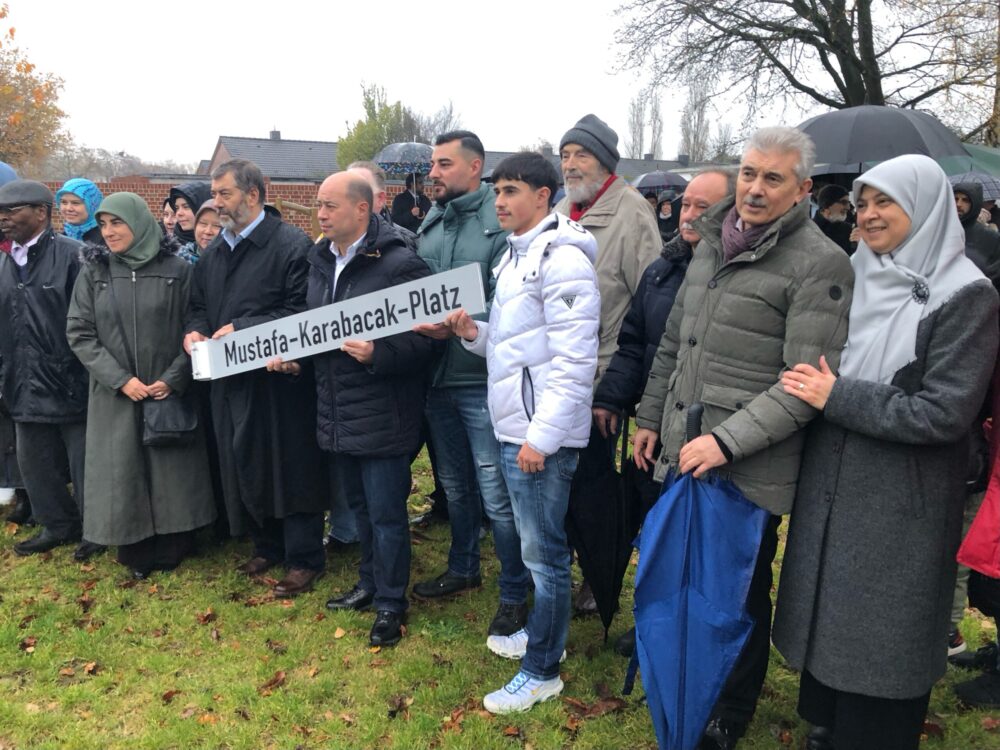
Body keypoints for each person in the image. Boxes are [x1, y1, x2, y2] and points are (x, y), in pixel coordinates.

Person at [632, 126, 854, 749]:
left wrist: (725, 443)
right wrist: (652, 417)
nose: (756, 189)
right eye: (750, 174)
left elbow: (804, 386)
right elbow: (676, 340)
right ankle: (685, 673)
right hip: (685, 440)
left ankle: (730, 707)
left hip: (747, 465)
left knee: (739, 591)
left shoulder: (821, 264)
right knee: (681, 572)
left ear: (802, 189)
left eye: (773, 178)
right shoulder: (710, 243)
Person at [772, 154, 999, 750]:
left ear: (923, 209)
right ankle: (831, 726)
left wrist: (837, 396)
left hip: (903, 498)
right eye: (862, 202)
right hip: (834, 484)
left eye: (884, 202)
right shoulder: (856, 273)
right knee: (831, 621)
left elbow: (944, 413)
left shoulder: (967, 295)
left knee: (881, 636)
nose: (867, 215)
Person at [440, 152, 600, 713]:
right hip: (516, 427)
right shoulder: (516, 258)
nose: (500, 201)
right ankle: (538, 634)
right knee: (540, 551)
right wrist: (469, 332)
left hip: (538, 438)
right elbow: (514, 349)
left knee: (544, 555)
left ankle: (542, 669)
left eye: (510, 191)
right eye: (497, 191)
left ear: (543, 196)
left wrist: (542, 438)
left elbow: (575, 362)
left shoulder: (562, 261)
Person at [270, 172, 437, 646]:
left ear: (361, 210)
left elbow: (427, 343)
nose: (319, 214)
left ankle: (390, 603)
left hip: (383, 411)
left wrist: (380, 354)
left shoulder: (401, 263)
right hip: (337, 410)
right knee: (360, 511)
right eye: (318, 206)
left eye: (328, 206)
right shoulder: (319, 260)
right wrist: (297, 361)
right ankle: (368, 583)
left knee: (386, 515)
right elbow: (315, 329)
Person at [592, 167, 734, 657]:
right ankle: (653, 618)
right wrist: (613, 397)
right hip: (655, 423)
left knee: (693, 535)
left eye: (704, 207)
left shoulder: (730, 276)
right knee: (653, 524)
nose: (689, 215)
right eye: (686, 204)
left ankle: (688, 630)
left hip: (708, 430)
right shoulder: (661, 270)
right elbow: (635, 344)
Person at [183, 159, 328, 598]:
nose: (216, 203)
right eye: (215, 194)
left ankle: (304, 557)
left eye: (224, 194)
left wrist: (246, 329)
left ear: (253, 194)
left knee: (289, 465)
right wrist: (194, 331)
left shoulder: (290, 244)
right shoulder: (214, 252)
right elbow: (198, 306)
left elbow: (303, 310)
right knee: (243, 458)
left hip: (279, 379)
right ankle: (267, 544)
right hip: (230, 380)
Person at [411, 131, 532, 641]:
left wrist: (458, 322)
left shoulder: (498, 224)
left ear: (474, 167)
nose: (432, 174)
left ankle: (514, 591)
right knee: (455, 487)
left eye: (443, 164)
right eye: (431, 165)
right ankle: (463, 566)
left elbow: (510, 299)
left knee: (496, 493)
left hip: (481, 379)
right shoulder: (431, 223)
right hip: (436, 376)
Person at [66, 193, 216, 578]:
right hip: (115, 394)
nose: (109, 232)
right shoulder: (94, 272)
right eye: (103, 225)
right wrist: (120, 380)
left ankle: (175, 542)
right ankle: (133, 545)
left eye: (117, 223)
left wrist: (174, 377)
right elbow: (80, 332)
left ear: (138, 222)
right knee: (122, 469)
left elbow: (195, 328)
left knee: (171, 467)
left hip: (165, 387)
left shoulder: (178, 270)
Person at [554, 113, 661, 615]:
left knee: (594, 488)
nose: (572, 165)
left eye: (583, 155)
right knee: (562, 484)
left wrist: (619, 389)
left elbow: (648, 301)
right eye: (566, 155)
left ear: (606, 162)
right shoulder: (561, 208)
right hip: (555, 373)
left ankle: (600, 577)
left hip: (601, 375)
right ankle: (567, 564)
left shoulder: (632, 214)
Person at [0, 180, 102, 560]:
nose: (4, 218)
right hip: (21, 383)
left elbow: (92, 322)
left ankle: (95, 527)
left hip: (69, 382)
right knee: (34, 462)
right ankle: (57, 524)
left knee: (85, 462)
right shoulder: (5, 261)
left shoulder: (75, 256)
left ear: (41, 212)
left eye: (12, 211)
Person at [953, 182, 1000, 288]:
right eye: (955, 199)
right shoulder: (940, 229)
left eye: (965, 200)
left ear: (975, 203)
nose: (958, 204)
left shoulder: (991, 238)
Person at [56, 178, 104, 245]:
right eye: (64, 202)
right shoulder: (56, 241)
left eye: (75, 203)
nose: (68, 208)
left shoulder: (109, 240)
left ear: (92, 205)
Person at [169, 181, 212, 254]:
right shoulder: (170, 248)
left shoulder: (227, 245)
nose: (179, 213)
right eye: (177, 208)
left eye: (186, 207)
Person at [812, 184, 854, 254]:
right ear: (827, 204)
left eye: (848, 203)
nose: (848, 207)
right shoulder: (809, 230)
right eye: (844, 202)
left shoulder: (850, 230)